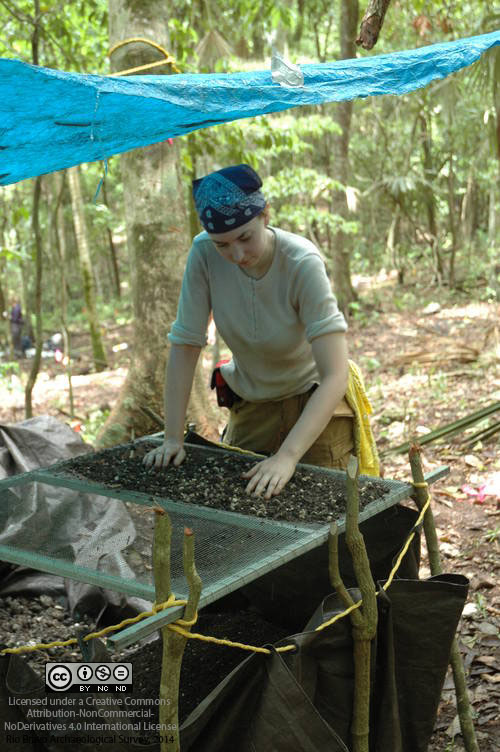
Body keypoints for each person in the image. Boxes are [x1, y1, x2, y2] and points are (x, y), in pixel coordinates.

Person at [143, 164, 359, 499]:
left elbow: (335, 376)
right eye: (223, 245)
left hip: (314, 400)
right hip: (253, 401)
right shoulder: (203, 254)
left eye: (245, 237)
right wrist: (173, 438)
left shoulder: (301, 262)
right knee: (239, 507)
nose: (237, 254)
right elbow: (185, 345)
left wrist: (287, 457)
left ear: (265, 216)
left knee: (326, 508)